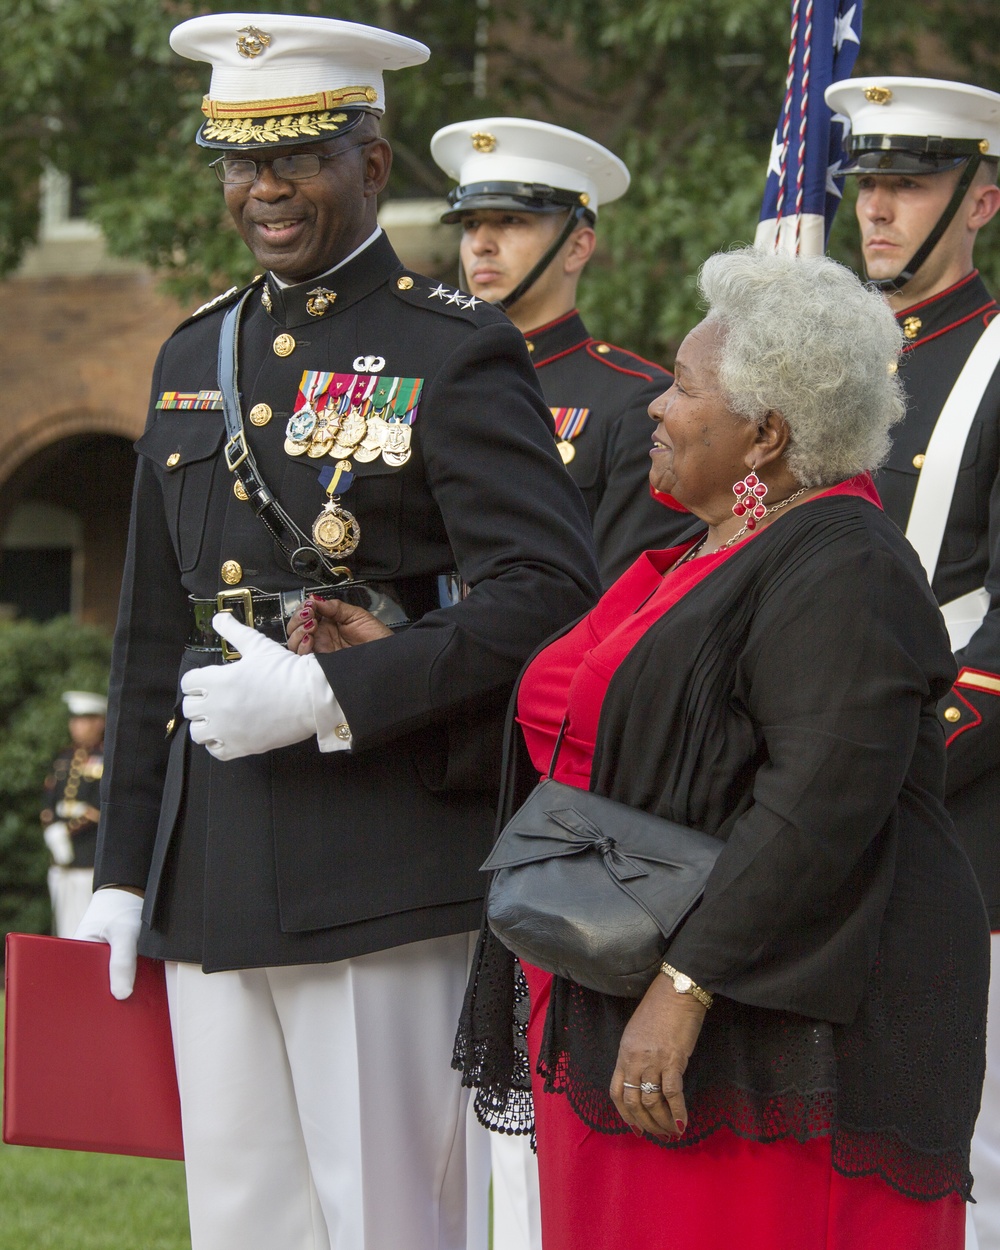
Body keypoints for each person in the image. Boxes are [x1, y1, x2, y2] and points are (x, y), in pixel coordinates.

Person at [72, 13, 599, 1250]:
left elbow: (548, 595)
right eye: (241, 160)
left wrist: (332, 697)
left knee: (387, 1223)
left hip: (380, 856)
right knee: (243, 1219)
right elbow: (153, 633)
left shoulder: (453, 346)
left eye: (298, 155)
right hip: (210, 865)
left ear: (371, 159)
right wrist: (118, 867)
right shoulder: (190, 351)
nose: (264, 188)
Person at [450, 246, 989, 1250]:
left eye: (682, 387)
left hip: (759, 1032)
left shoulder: (844, 564)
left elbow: (816, 803)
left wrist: (684, 987)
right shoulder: (695, 551)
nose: (653, 407)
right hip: (604, 978)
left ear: (765, 436)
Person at [824, 76, 1000, 1250]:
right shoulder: (824, 360)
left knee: (972, 1151)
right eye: (867, 185)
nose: (877, 211)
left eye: (910, 185)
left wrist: (888, 761)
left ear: (981, 200)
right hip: (813, 797)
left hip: (960, 809)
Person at [431, 118, 693, 587]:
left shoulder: (637, 401)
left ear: (577, 248)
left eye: (510, 221)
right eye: (471, 224)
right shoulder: (430, 378)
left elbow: (624, 591)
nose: (481, 245)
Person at [41, 690, 105, 938]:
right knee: (63, 926)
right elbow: (49, 800)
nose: (77, 726)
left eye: (84, 720)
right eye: (74, 720)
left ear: (99, 722)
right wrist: (52, 830)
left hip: (88, 856)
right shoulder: (64, 758)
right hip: (61, 858)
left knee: (86, 926)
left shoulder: (105, 757)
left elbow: (97, 808)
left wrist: (66, 830)